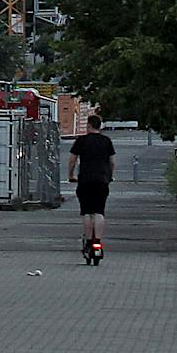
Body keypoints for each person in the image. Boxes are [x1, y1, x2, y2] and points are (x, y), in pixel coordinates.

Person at [67, 112, 115, 261]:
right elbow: (112, 162)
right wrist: (110, 176)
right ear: (99, 126)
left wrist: (71, 176)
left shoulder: (81, 141)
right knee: (99, 211)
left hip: (85, 180)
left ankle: (88, 242)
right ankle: (98, 243)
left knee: (87, 212)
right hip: (102, 180)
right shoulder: (106, 141)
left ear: (88, 125)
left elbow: (72, 160)